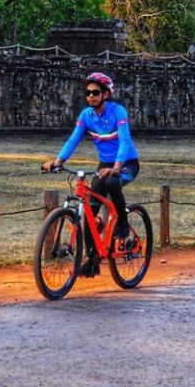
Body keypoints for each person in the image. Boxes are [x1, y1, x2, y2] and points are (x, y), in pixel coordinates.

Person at [42, 72, 140, 277]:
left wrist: (117, 166)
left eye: (95, 92)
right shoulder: (86, 115)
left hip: (126, 163)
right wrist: (57, 162)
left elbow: (124, 141)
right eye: (87, 93)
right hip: (104, 164)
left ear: (106, 94)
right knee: (88, 212)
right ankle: (92, 260)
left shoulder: (118, 111)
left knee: (113, 181)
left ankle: (123, 222)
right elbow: (73, 139)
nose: (90, 96)